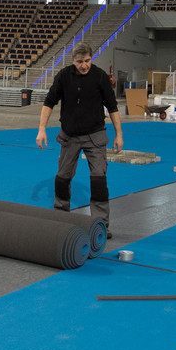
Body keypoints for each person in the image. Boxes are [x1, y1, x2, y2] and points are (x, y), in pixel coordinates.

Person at [37, 43, 124, 237]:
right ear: (72, 61)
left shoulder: (100, 77)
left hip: (95, 136)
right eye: (79, 62)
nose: (84, 65)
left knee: (99, 179)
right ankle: (61, 216)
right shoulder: (63, 76)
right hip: (69, 136)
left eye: (87, 61)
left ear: (91, 59)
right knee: (62, 178)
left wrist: (119, 134)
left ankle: (101, 224)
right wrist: (41, 129)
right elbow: (49, 102)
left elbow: (112, 107)